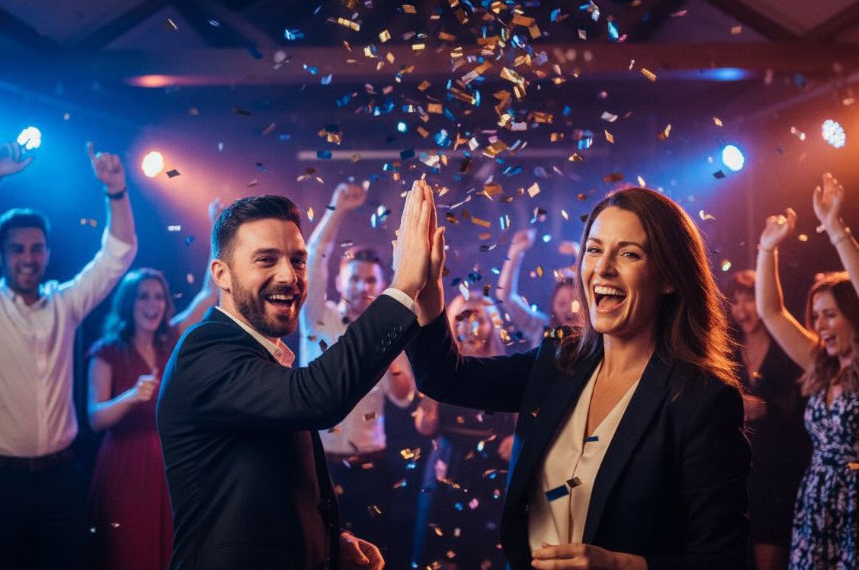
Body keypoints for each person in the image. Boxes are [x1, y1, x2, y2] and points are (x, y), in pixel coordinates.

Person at [405, 186, 750, 570]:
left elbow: (726, 561)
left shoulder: (701, 400)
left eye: (629, 254)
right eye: (595, 249)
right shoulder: (558, 360)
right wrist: (425, 291)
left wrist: (622, 566)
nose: (603, 269)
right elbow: (444, 377)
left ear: (668, 277)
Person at [156, 181, 442, 570]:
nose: (289, 276)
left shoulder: (263, 355)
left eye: (297, 260)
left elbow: (266, 488)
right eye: (266, 260)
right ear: (222, 275)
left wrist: (327, 543)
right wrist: (405, 283)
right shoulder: (205, 351)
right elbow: (316, 398)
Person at [0, 141, 137, 569]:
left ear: (47, 253)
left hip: (61, 478)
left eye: (36, 249)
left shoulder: (64, 302)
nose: (28, 258)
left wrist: (116, 191)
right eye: (17, 249)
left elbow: (117, 256)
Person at [755, 173, 859, 569]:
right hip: (817, 508)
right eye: (816, 317)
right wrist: (766, 250)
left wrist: (834, 227)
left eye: (830, 315)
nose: (820, 325)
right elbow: (771, 312)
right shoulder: (822, 367)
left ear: (855, 317)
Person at [85, 200, 222, 570]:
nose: (153, 304)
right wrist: (130, 397)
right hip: (125, 469)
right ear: (129, 303)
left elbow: (209, 294)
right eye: (144, 297)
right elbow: (95, 418)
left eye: (159, 296)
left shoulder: (170, 339)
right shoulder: (107, 352)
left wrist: (216, 228)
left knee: (169, 554)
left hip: (169, 465)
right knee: (130, 554)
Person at [299, 182, 415, 550]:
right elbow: (313, 255)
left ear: (381, 288)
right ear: (339, 281)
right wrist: (338, 207)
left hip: (370, 466)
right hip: (318, 464)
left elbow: (404, 395)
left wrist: (388, 343)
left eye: (370, 281)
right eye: (354, 278)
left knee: (370, 554)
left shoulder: (388, 333)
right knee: (316, 552)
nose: (361, 286)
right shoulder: (318, 317)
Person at [411, 291, 515, 570]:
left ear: (490, 323)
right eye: (461, 318)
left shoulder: (505, 367)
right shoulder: (445, 366)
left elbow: (522, 423)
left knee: (483, 549)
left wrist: (515, 441)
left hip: (490, 469)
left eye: (476, 318)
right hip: (449, 464)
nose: (469, 326)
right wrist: (431, 394)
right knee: (441, 549)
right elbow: (424, 426)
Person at [723, 270, 809, 570]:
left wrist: (766, 408)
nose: (742, 310)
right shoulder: (729, 350)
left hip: (780, 466)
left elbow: (803, 402)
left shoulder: (786, 348)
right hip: (740, 468)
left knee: (770, 550)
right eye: (735, 302)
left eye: (749, 300)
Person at [497, 228, 583, 346]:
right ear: (553, 308)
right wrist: (515, 251)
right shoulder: (541, 329)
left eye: (575, 300)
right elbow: (505, 296)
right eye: (561, 303)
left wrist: (580, 257)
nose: (568, 308)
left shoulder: (598, 333)